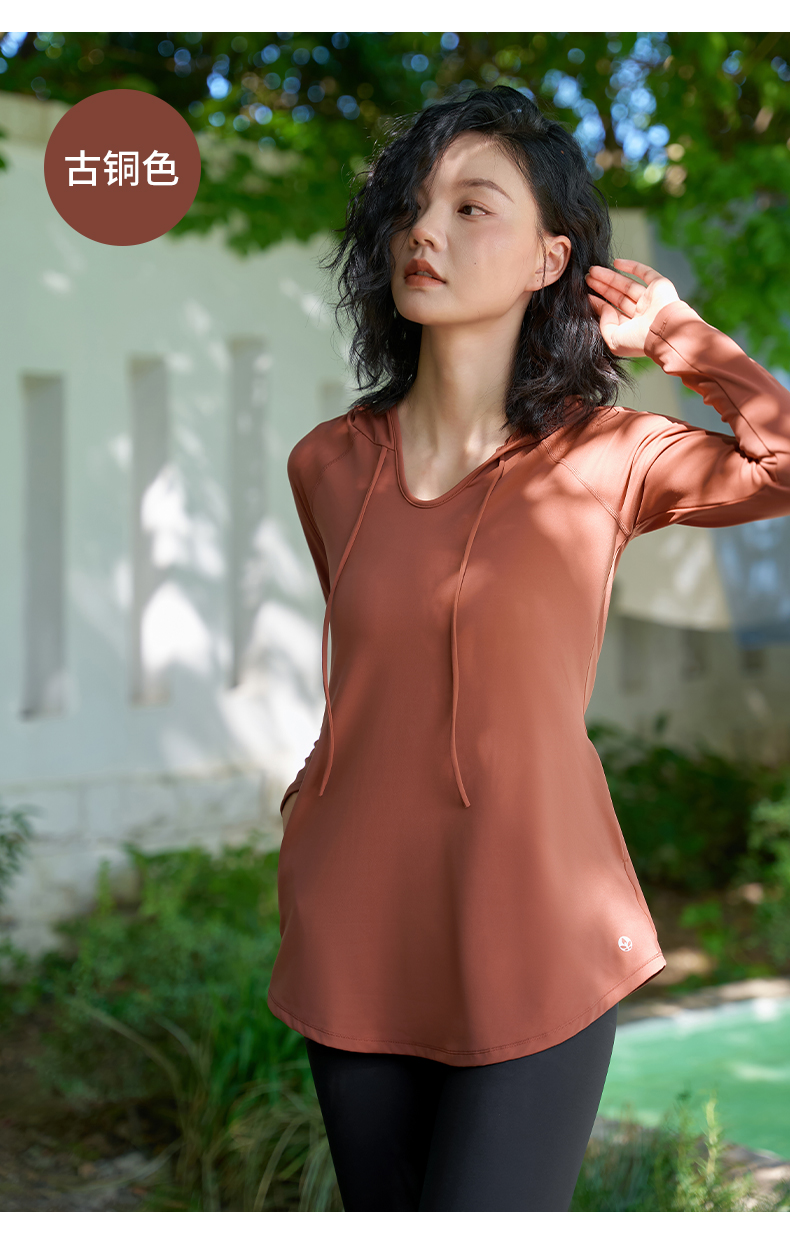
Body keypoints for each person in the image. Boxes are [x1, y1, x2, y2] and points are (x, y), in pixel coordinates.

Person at [267, 86, 790, 1211]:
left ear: (550, 258)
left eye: (471, 207)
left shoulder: (607, 456)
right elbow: (373, 674)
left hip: (539, 922)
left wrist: (679, 339)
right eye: (413, 206)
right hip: (353, 921)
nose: (425, 230)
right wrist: (308, 805)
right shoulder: (327, 464)